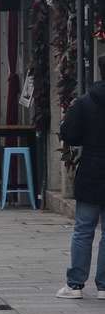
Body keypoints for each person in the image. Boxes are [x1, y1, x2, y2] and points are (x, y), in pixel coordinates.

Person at [57, 55, 105, 299]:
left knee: (84, 229)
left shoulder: (85, 103)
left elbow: (70, 136)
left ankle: (75, 285)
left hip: (92, 171)